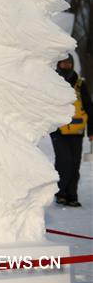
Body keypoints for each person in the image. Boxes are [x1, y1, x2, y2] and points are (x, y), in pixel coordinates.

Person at [51, 54, 93, 207]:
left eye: (69, 63)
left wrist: (91, 132)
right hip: (58, 130)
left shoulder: (80, 84)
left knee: (74, 164)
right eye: (63, 63)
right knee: (64, 161)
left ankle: (72, 195)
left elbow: (89, 107)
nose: (66, 65)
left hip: (77, 130)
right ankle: (61, 193)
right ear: (58, 64)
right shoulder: (54, 82)